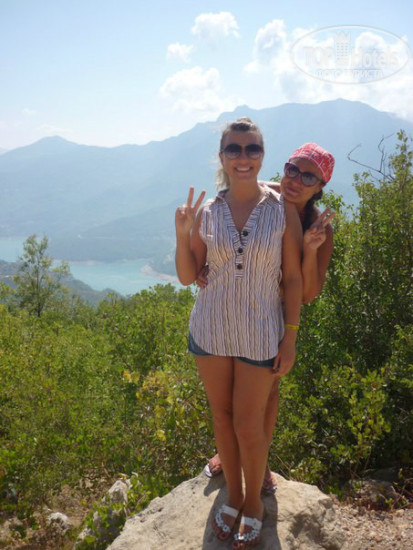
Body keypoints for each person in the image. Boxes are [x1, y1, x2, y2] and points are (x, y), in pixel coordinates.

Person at [175, 118, 303, 548]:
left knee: (249, 426)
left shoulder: (281, 209)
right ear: (222, 156)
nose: (243, 157)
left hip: (260, 332)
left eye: (252, 149)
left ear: (262, 155)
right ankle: (233, 494)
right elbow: (189, 275)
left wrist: (290, 336)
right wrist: (183, 235)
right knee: (222, 417)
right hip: (211, 329)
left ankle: (253, 504)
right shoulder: (209, 211)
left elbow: (292, 278)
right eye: (234, 149)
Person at [202, 142, 336, 495]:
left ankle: (260, 466)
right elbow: (232, 210)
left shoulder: (319, 227)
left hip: (277, 314)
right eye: (293, 170)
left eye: (309, 177)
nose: (296, 180)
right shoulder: (267, 199)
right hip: (238, 307)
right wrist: (204, 264)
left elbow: (307, 292)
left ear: (320, 187)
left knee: (268, 392)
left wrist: (310, 249)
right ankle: (227, 453)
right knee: (231, 393)